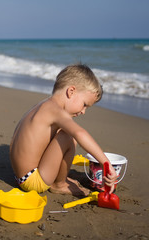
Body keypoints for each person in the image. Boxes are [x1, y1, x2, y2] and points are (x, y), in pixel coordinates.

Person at [10, 64, 117, 196]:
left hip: (21, 176)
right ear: (71, 91)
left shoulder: (43, 105)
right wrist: (106, 163)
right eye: (84, 105)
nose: (83, 111)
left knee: (64, 131)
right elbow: (80, 133)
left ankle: (58, 179)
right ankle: (59, 184)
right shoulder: (56, 111)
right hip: (33, 181)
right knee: (68, 136)